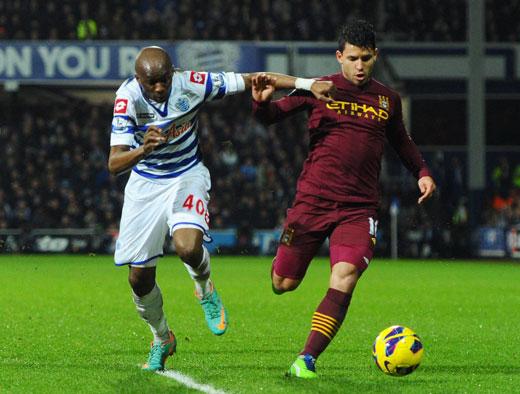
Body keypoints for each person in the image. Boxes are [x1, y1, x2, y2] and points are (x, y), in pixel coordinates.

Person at [108, 46, 334, 371]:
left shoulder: (193, 83)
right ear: (138, 79)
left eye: (164, 81)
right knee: (138, 279)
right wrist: (142, 149)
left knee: (187, 247)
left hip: (187, 174)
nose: (159, 88)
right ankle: (162, 338)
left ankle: (205, 289)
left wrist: (307, 83)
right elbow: (114, 163)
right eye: (151, 83)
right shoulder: (127, 98)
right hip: (145, 184)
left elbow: (255, 79)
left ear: (173, 74)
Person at [251, 20, 436, 378]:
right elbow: (272, 117)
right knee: (283, 284)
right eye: (352, 58)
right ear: (339, 57)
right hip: (312, 202)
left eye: (366, 58)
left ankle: (306, 358)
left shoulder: (387, 100)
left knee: (346, 274)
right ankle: (283, 269)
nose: (360, 65)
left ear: (375, 56)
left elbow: (401, 141)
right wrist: (261, 105)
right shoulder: (319, 89)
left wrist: (423, 172)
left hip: (358, 208)